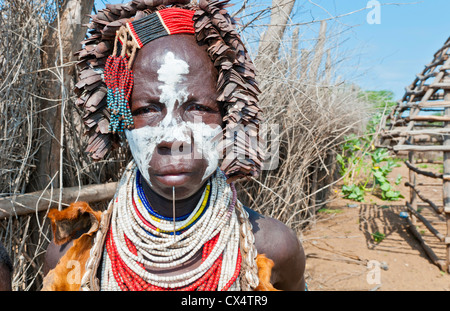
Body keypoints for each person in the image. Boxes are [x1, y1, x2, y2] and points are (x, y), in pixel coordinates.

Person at [42, 0, 305, 291]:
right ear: (120, 120)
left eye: (198, 107)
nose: (172, 137)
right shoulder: (72, 257)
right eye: (146, 110)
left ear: (229, 119)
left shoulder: (273, 249)